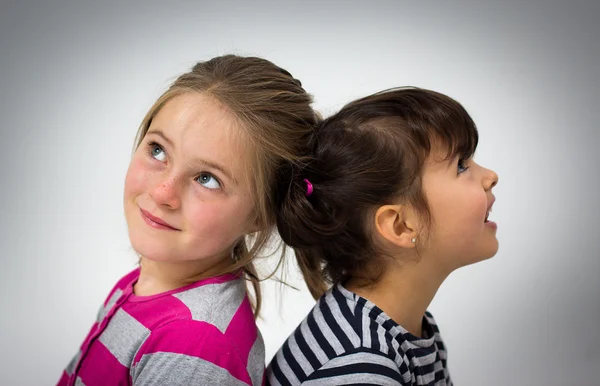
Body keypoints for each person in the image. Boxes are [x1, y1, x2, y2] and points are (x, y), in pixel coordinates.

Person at [57, 54, 319, 386]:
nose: (164, 192)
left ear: (260, 215)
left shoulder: (194, 345)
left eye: (207, 179)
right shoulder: (147, 283)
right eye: (158, 150)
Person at [269, 87, 499, 385]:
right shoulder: (359, 365)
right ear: (400, 226)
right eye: (461, 165)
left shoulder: (409, 329)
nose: (490, 175)